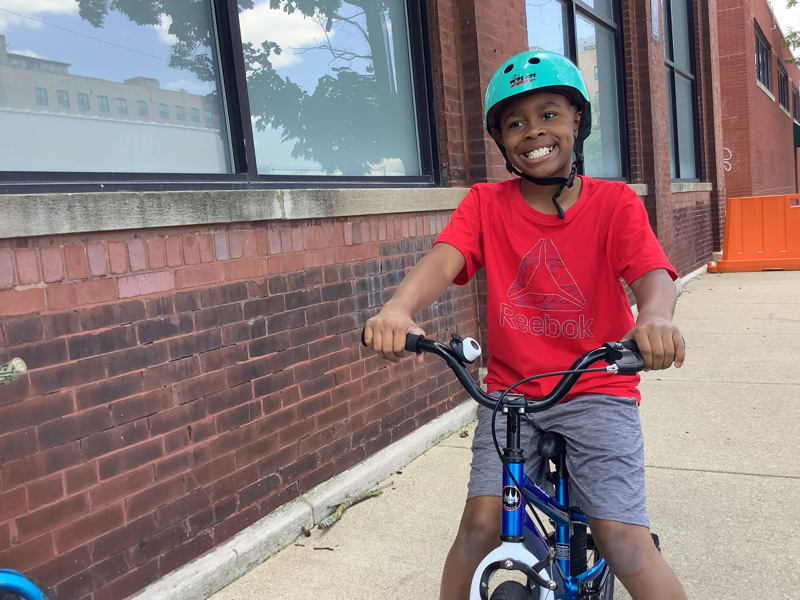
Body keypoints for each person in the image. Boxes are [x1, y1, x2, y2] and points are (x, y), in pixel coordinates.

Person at [363, 49, 687, 600]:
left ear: (577, 121)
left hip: (596, 386)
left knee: (622, 539)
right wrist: (399, 308)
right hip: (512, 395)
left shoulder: (613, 204)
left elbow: (652, 271)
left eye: (549, 113)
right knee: (480, 527)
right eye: (515, 123)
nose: (533, 131)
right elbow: (445, 257)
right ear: (501, 141)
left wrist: (654, 316)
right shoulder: (486, 204)